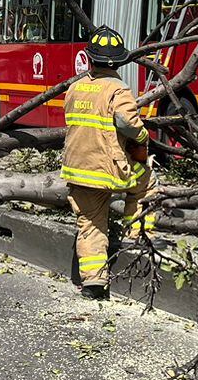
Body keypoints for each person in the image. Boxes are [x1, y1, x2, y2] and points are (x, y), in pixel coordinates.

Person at [59, 27, 152, 301]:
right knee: (146, 182)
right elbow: (126, 123)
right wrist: (144, 137)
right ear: (121, 61)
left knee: (89, 223)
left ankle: (94, 284)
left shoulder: (75, 88)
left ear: (90, 59)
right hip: (107, 168)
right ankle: (134, 234)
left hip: (76, 168)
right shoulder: (118, 90)